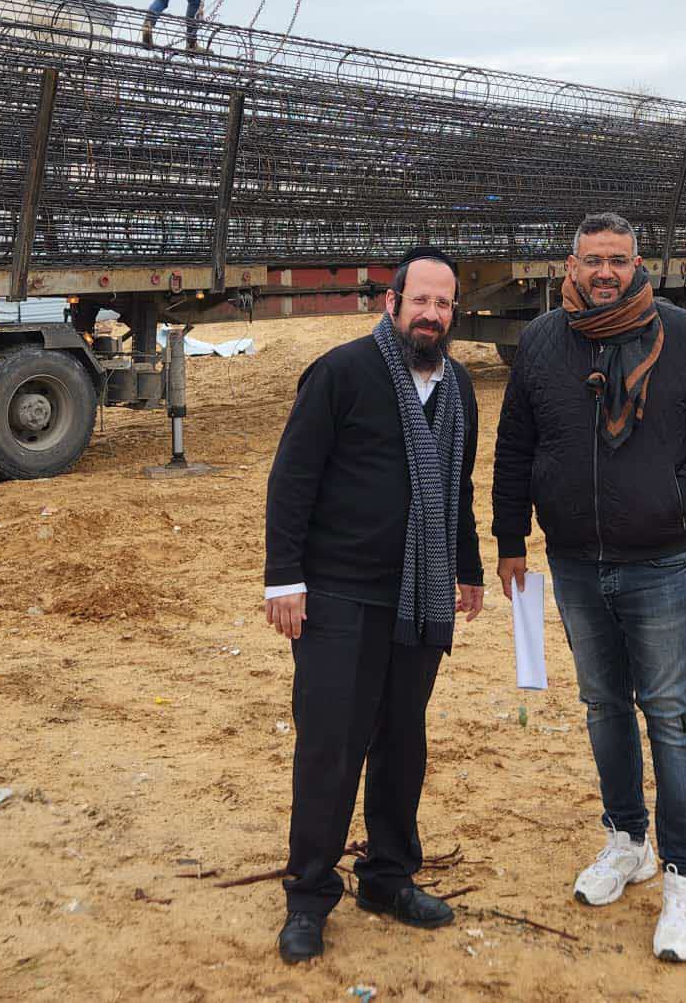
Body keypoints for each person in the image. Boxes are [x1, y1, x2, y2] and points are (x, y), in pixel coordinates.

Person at [491, 211, 686, 963]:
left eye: (618, 259)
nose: (605, 271)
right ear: (570, 266)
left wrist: (680, 496)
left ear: (639, 265)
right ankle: (628, 842)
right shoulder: (543, 342)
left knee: (669, 715)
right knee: (604, 707)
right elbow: (515, 446)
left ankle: (683, 877)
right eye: (593, 259)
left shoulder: (684, 336)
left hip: (662, 562)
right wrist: (510, 540)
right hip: (575, 562)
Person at [263, 247, 486, 964]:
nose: (431, 314)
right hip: (339, 596)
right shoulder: (342, 373)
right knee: (330, 749)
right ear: (391, 303)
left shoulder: (459, 389)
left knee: (401, 746)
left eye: (443, 303)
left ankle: (388, 878)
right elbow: (292, 479)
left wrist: (468, 568)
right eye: (420, 300)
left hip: (419, 597)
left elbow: (457, 489)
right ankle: (308, 897)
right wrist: (283, 579)